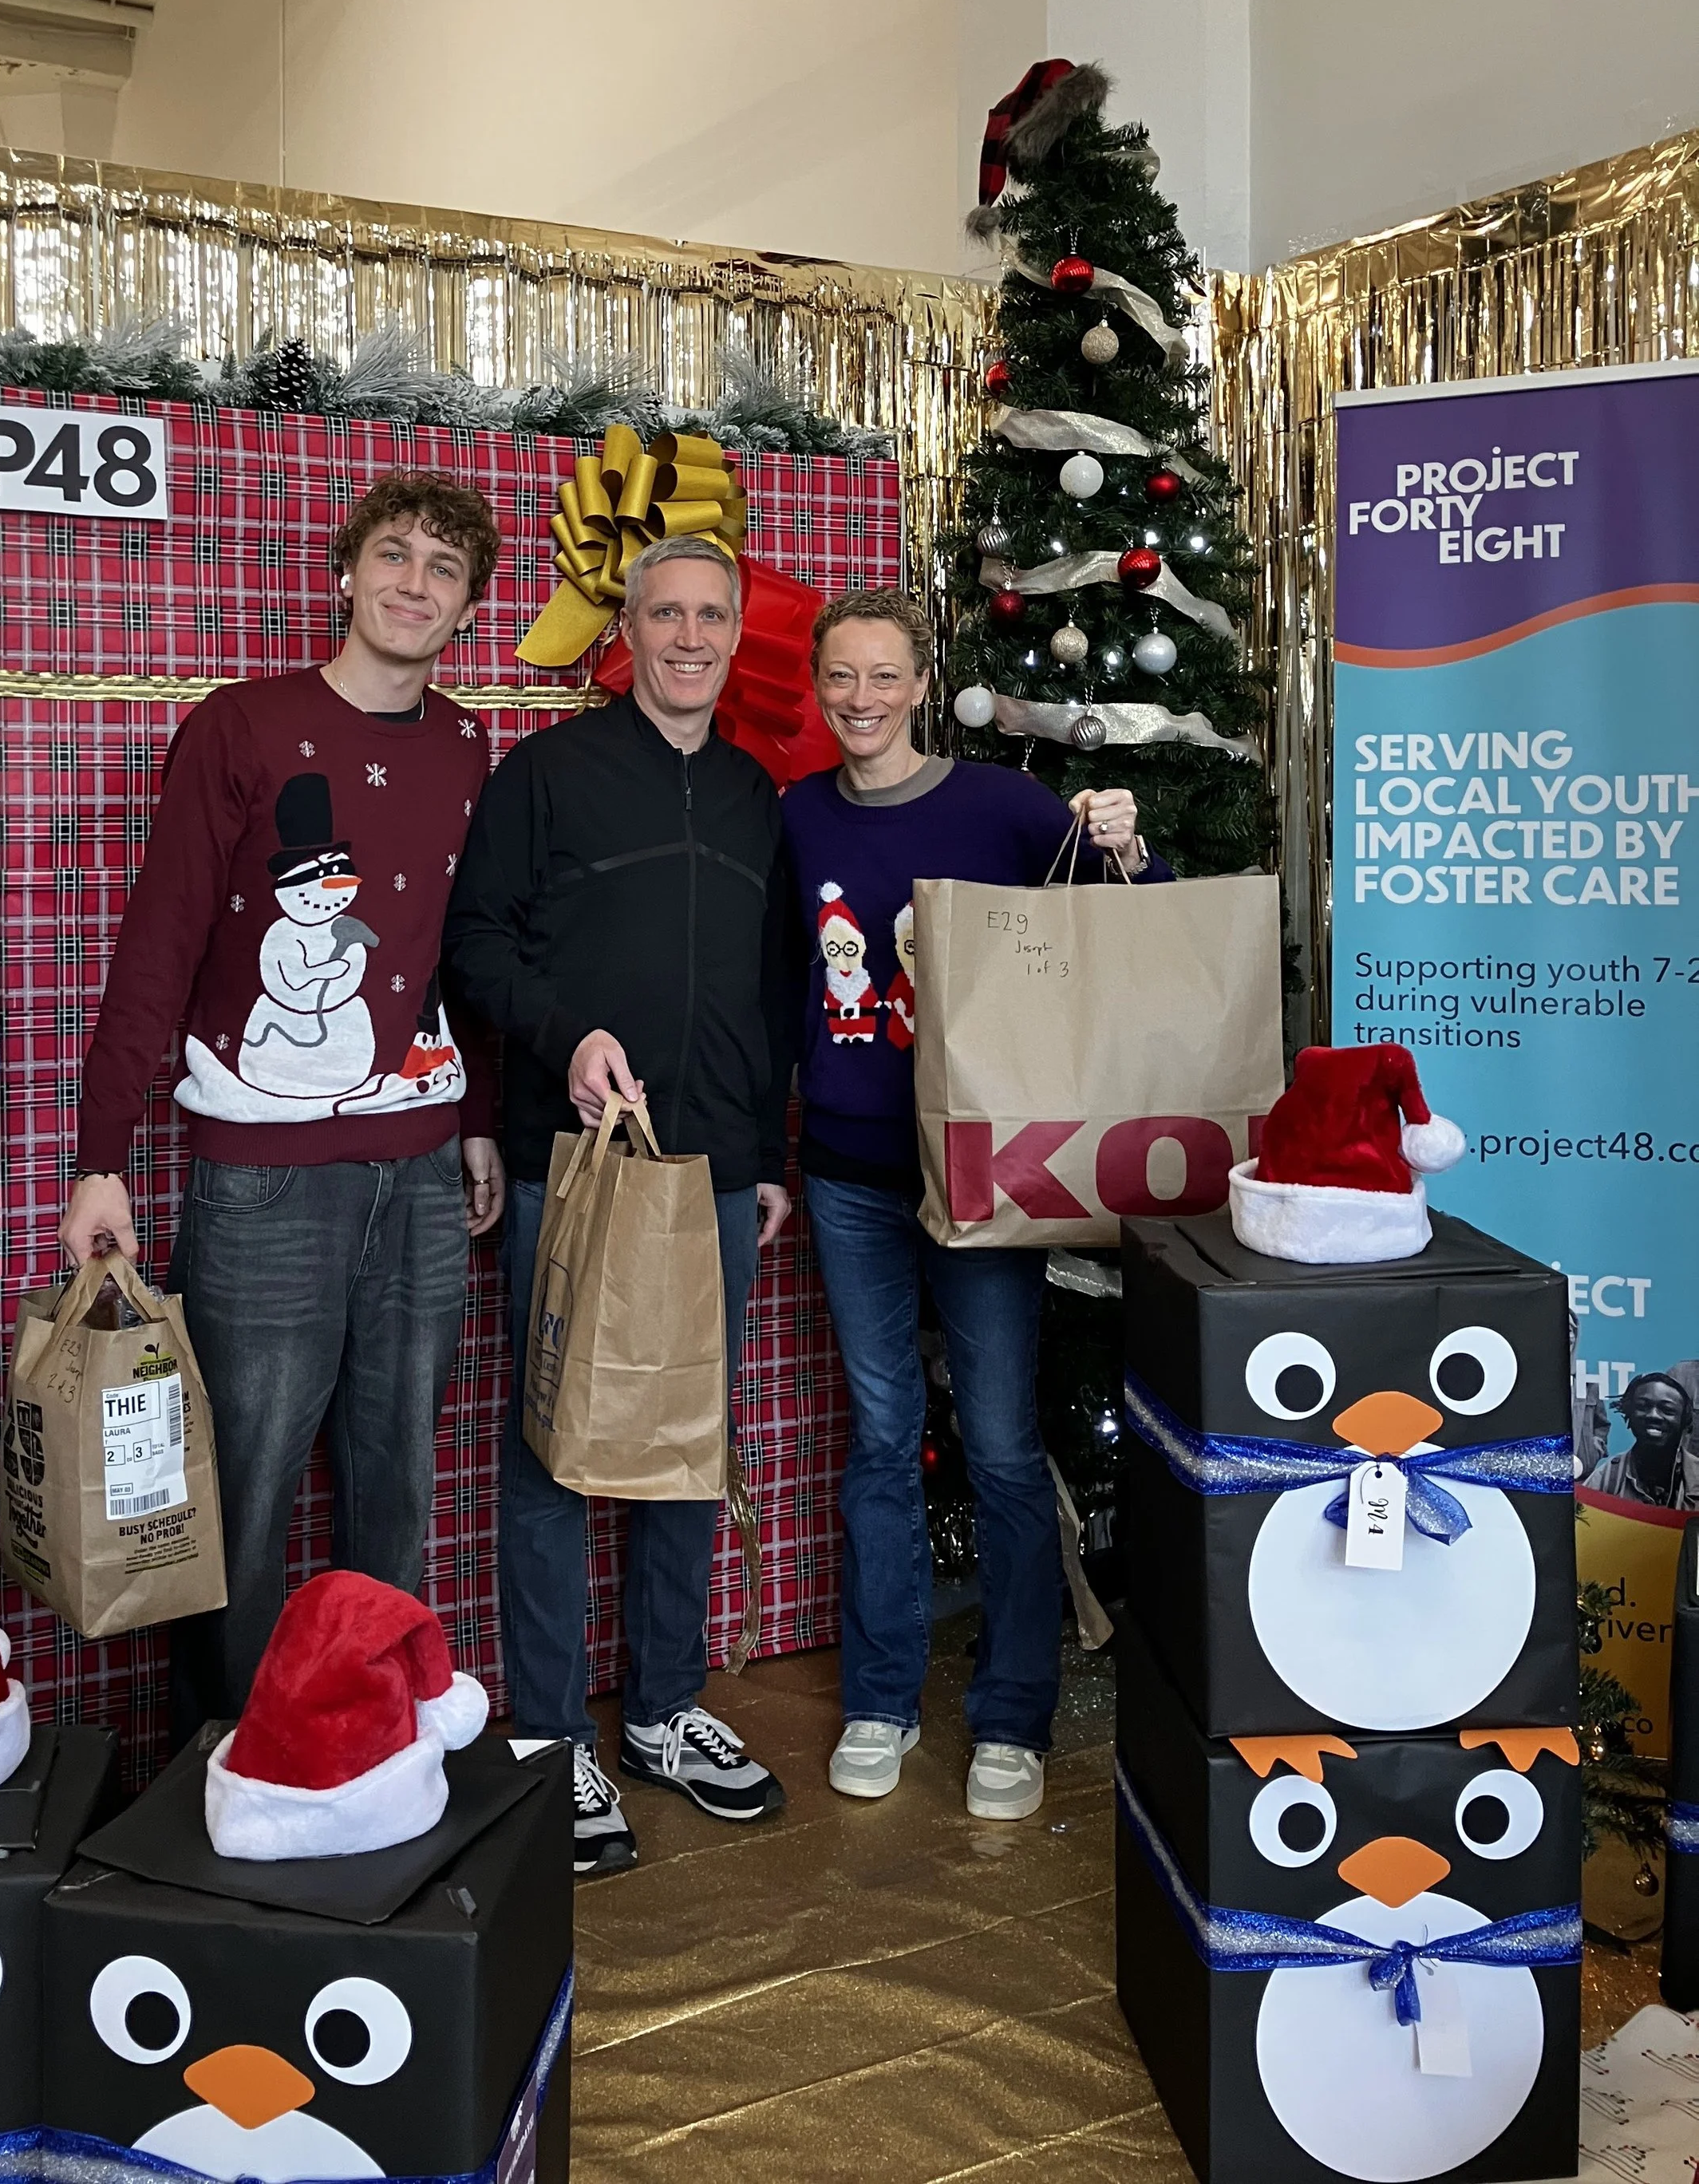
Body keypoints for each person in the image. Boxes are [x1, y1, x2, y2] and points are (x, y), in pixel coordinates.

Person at [61, 472, 508, 1737]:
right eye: (395, 554)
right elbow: (160, 944)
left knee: (396, 1481)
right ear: (346, 571)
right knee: (247, 1482)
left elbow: (450, 952)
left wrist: (473, 1118)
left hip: (420, 1171)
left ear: (468, 606)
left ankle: (369, 1740)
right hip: (262, 1177)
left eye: (444, 569)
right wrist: (101, 1158)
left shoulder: (470, 747)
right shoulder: (241, 729)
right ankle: (231, 1753)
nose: (415, 584)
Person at [780, 586, 1171, 1821]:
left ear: (919, 681)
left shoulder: (998, 806)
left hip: (982, 1175)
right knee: (884, 1442)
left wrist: (1125, 839)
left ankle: (1011, 1713)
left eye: (884, 676)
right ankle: (883, 1698)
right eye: (840, 677)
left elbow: (1127, 927)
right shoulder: (793, 818)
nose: (861, 700)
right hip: (846, 1172)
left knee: (1002, 1447)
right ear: (818, 684)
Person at [445, 535, 796, 1877]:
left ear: (735, 631)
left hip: (714, 1168)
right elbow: (473, 941)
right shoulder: (546, 774)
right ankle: (548, 1728)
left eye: (713, 614)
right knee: (555, 1441)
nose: (690, 635)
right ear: (628, 629)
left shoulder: (767, 796)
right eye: (667, 613)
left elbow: (773, 998)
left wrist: (769, 1157)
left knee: (687, 1440)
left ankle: (659, 1706)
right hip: (575, 1158)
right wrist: (567, 1033)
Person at [1585, 1372, 1699, 1509]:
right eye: (1643, 1406)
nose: (1653, 1415)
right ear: (1629, 1414)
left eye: (1667, 1409)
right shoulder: (1607, 1478)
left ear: (1684, 1421)